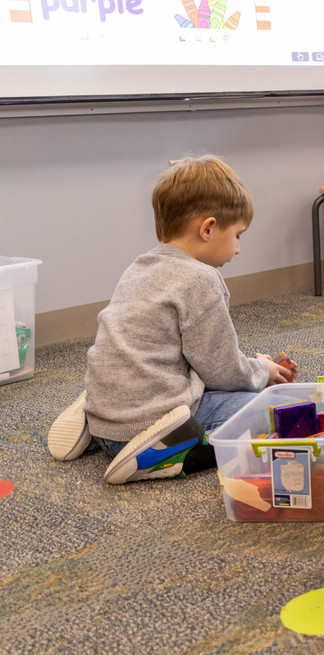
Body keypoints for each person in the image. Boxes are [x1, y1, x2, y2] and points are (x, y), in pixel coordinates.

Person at [46, 155, 294, 484]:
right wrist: (261, 372)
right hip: (153, 421)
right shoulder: (201, 279)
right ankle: (158, 455)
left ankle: (97, 413)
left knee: (225, 391)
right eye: (238, 235)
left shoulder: (140, 266)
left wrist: (253, 363)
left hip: (111, 415)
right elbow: (220, 371)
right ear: (208, 228)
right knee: (272, 410)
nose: (237, 250)